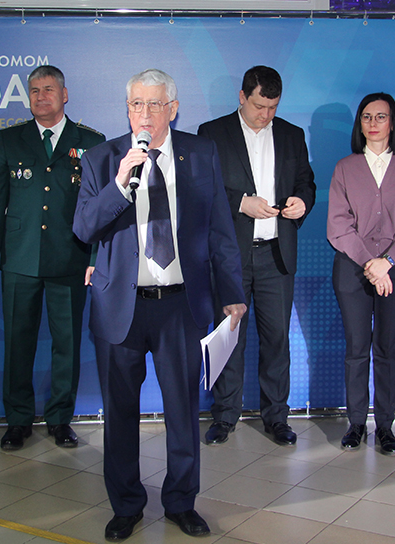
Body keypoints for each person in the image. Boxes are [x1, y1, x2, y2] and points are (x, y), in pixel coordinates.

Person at [74, 68, 245, 541]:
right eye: (136, 105)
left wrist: (232, 292)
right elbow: (83, 227)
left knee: (183, 412)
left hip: (180, 306)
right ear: (127, 109)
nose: (144, 115)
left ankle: (180, 503)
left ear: (173, 108)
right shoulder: (102, 158)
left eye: (153, 104)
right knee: (120, 413)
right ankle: (126, 505)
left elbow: (220, 228)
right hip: (120, 306)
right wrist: (119, 184)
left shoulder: (201, 153)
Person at [0, 65, 105, 450]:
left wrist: (94, 256)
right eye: (34, 91)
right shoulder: (10, 139)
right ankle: (18, 420)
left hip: (70, 258)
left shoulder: (90, 141)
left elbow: (99, 206)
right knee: (18, 343)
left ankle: (60, 419)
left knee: (67, 344)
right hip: (20, 259)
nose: (41, 97)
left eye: (49, 90)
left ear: (64, 95)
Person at [196, 66, 315, 446]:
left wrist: (302, 202)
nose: (266, 115)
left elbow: (306, 182)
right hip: (230, 256)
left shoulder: (292, 135)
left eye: (273, 107)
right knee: (229, 337)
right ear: (242, 97)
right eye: (259, 106)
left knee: (277, 340)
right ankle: (224, 416)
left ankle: (276, 417)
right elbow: (200, 188)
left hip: (276, 255)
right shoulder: (213, 133)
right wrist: (241, 203)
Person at [327, 93, 395, 455]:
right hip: (352, 269)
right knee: (356, 349)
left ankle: (385, 425)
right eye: (367, 117)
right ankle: (356, 423)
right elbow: (338, 225)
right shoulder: (345, 168)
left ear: (392, 122)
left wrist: (387, 262)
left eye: (380, 116)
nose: (373, 123)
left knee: (387, 348)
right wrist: (372, 263)